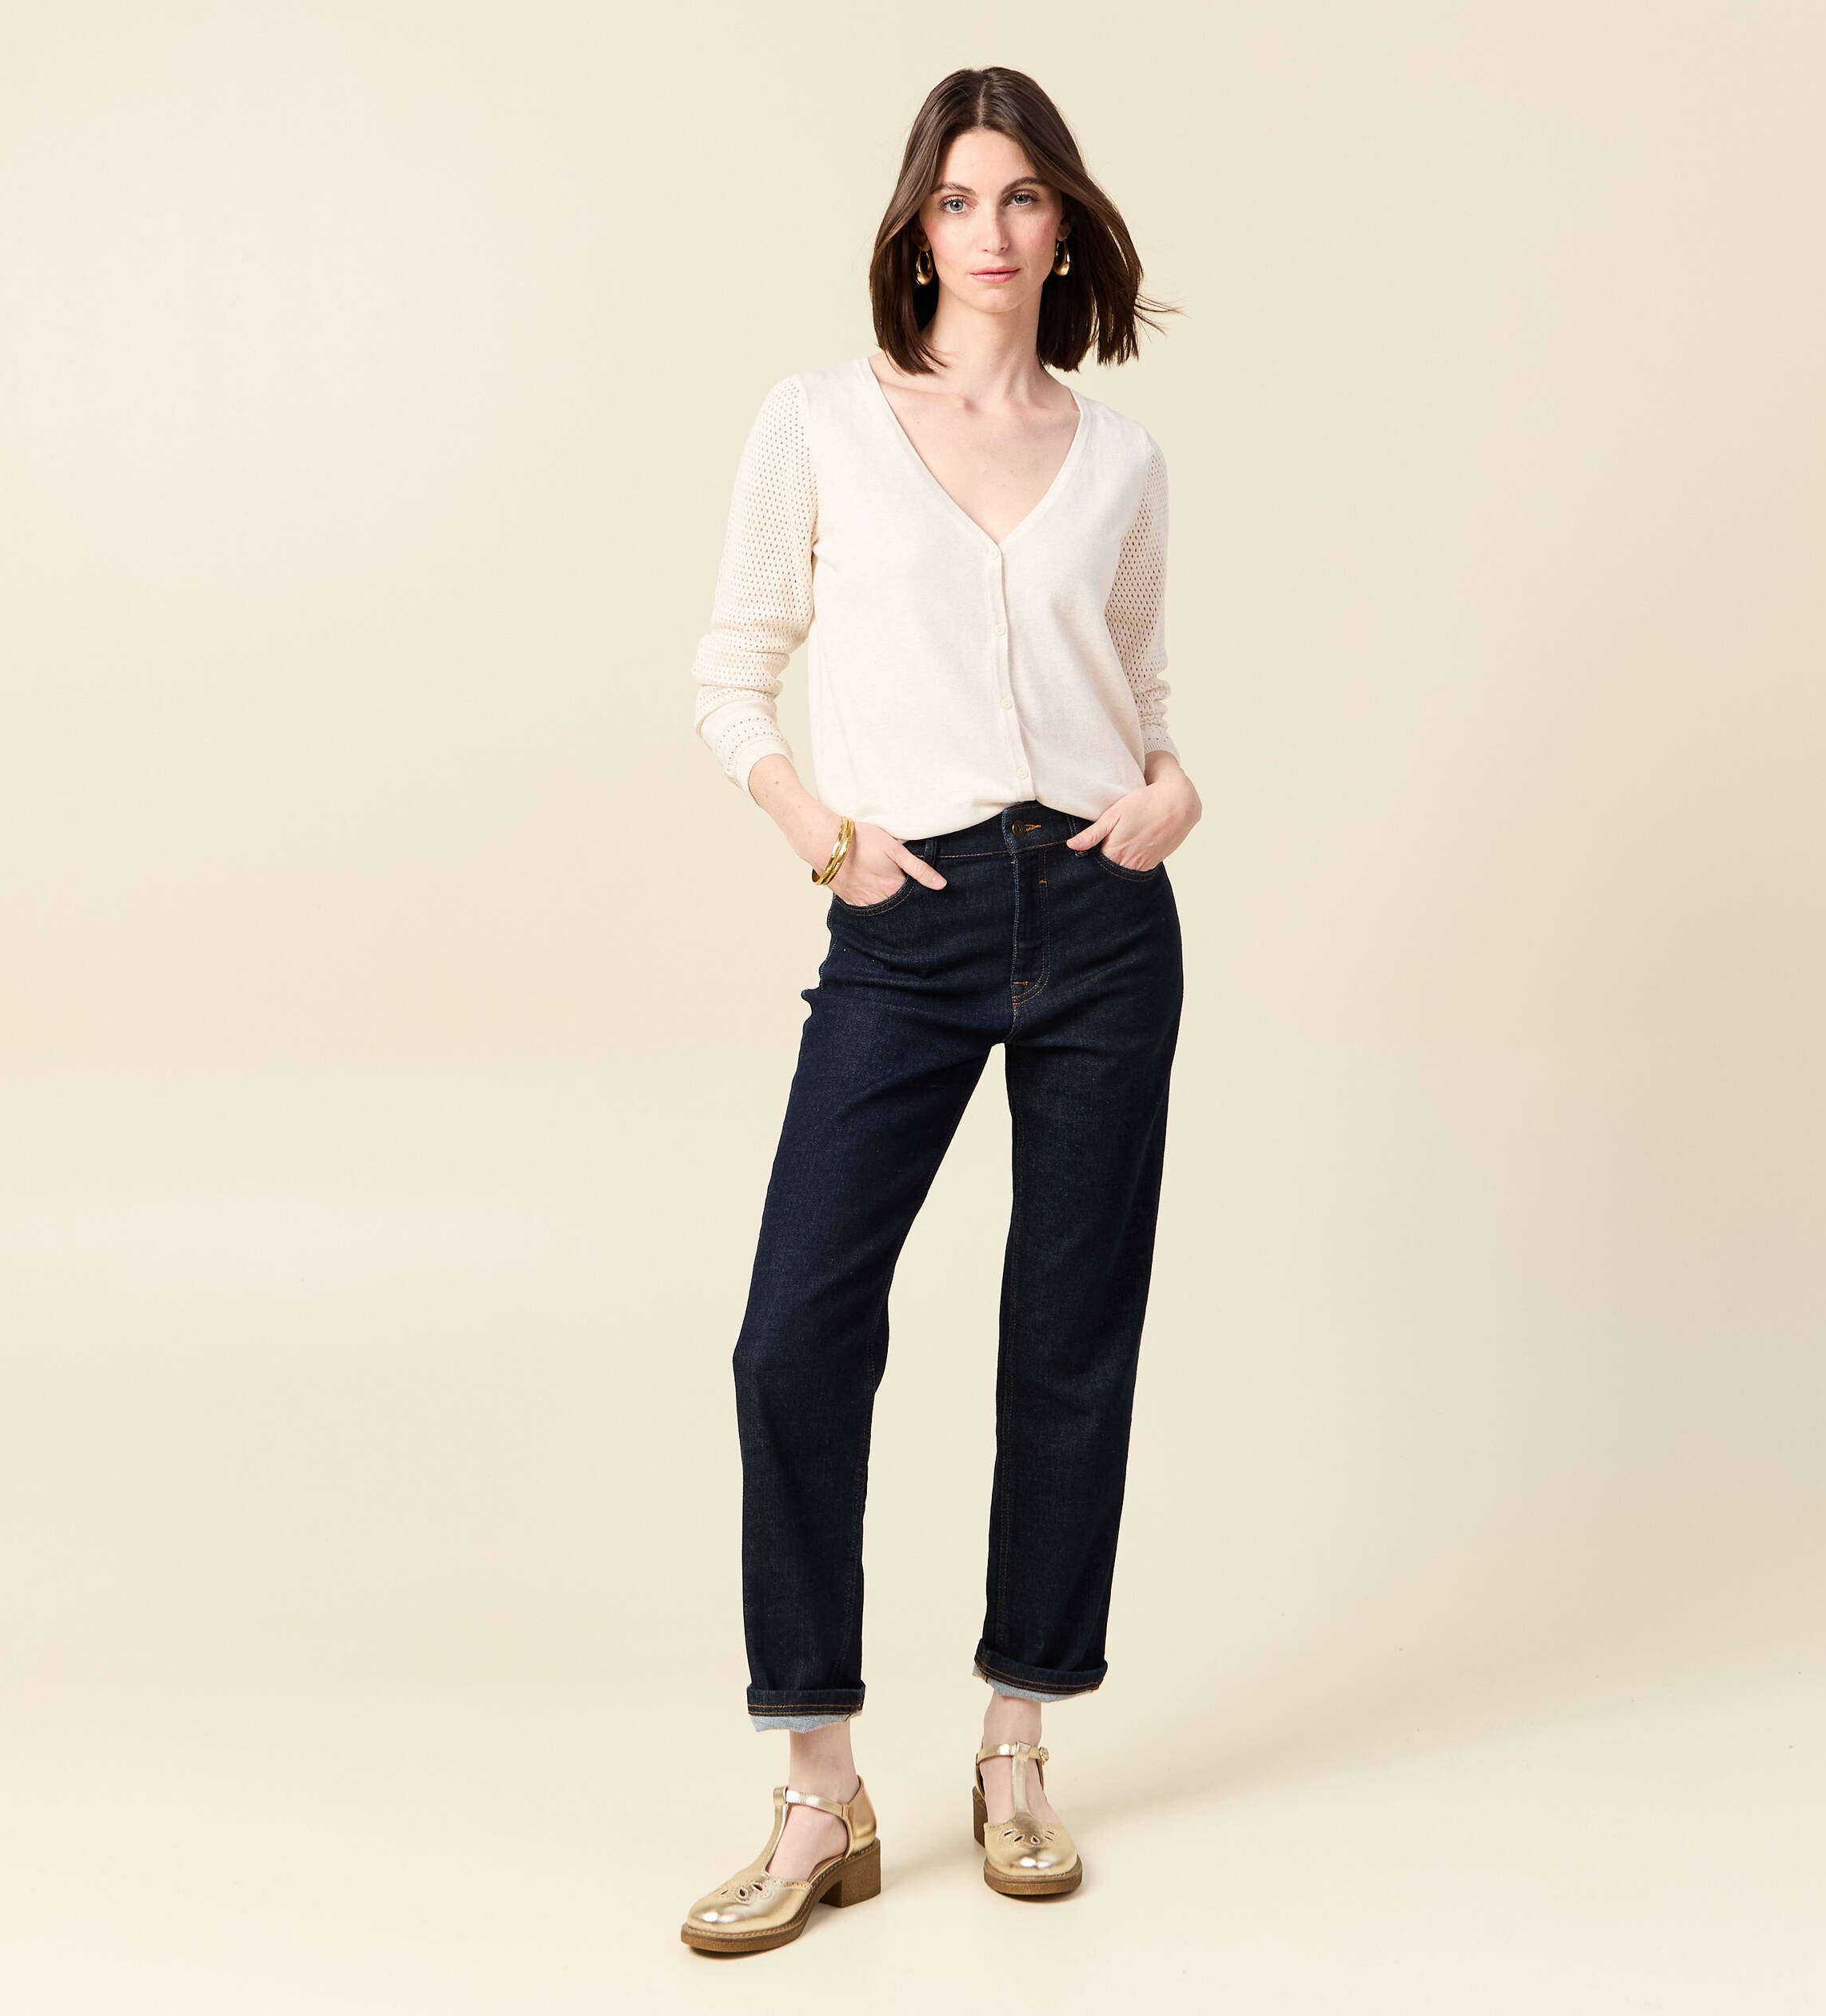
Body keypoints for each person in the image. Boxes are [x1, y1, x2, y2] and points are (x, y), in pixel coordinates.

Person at [678, 66, 1201, 1954]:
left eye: (1025, 197)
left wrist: (1176, 789)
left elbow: (1139, 683)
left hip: (1104, 913)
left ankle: (1016, 1748)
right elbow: (731, 671)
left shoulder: (1119, 457)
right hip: (907, 916)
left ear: (1065, 227)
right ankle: (819, 1791)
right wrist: (824, 837)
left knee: (1069, 1338)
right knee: (795, 1336)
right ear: (916, 228)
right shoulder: (822, 420)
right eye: (961, 198)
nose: (993, 230)